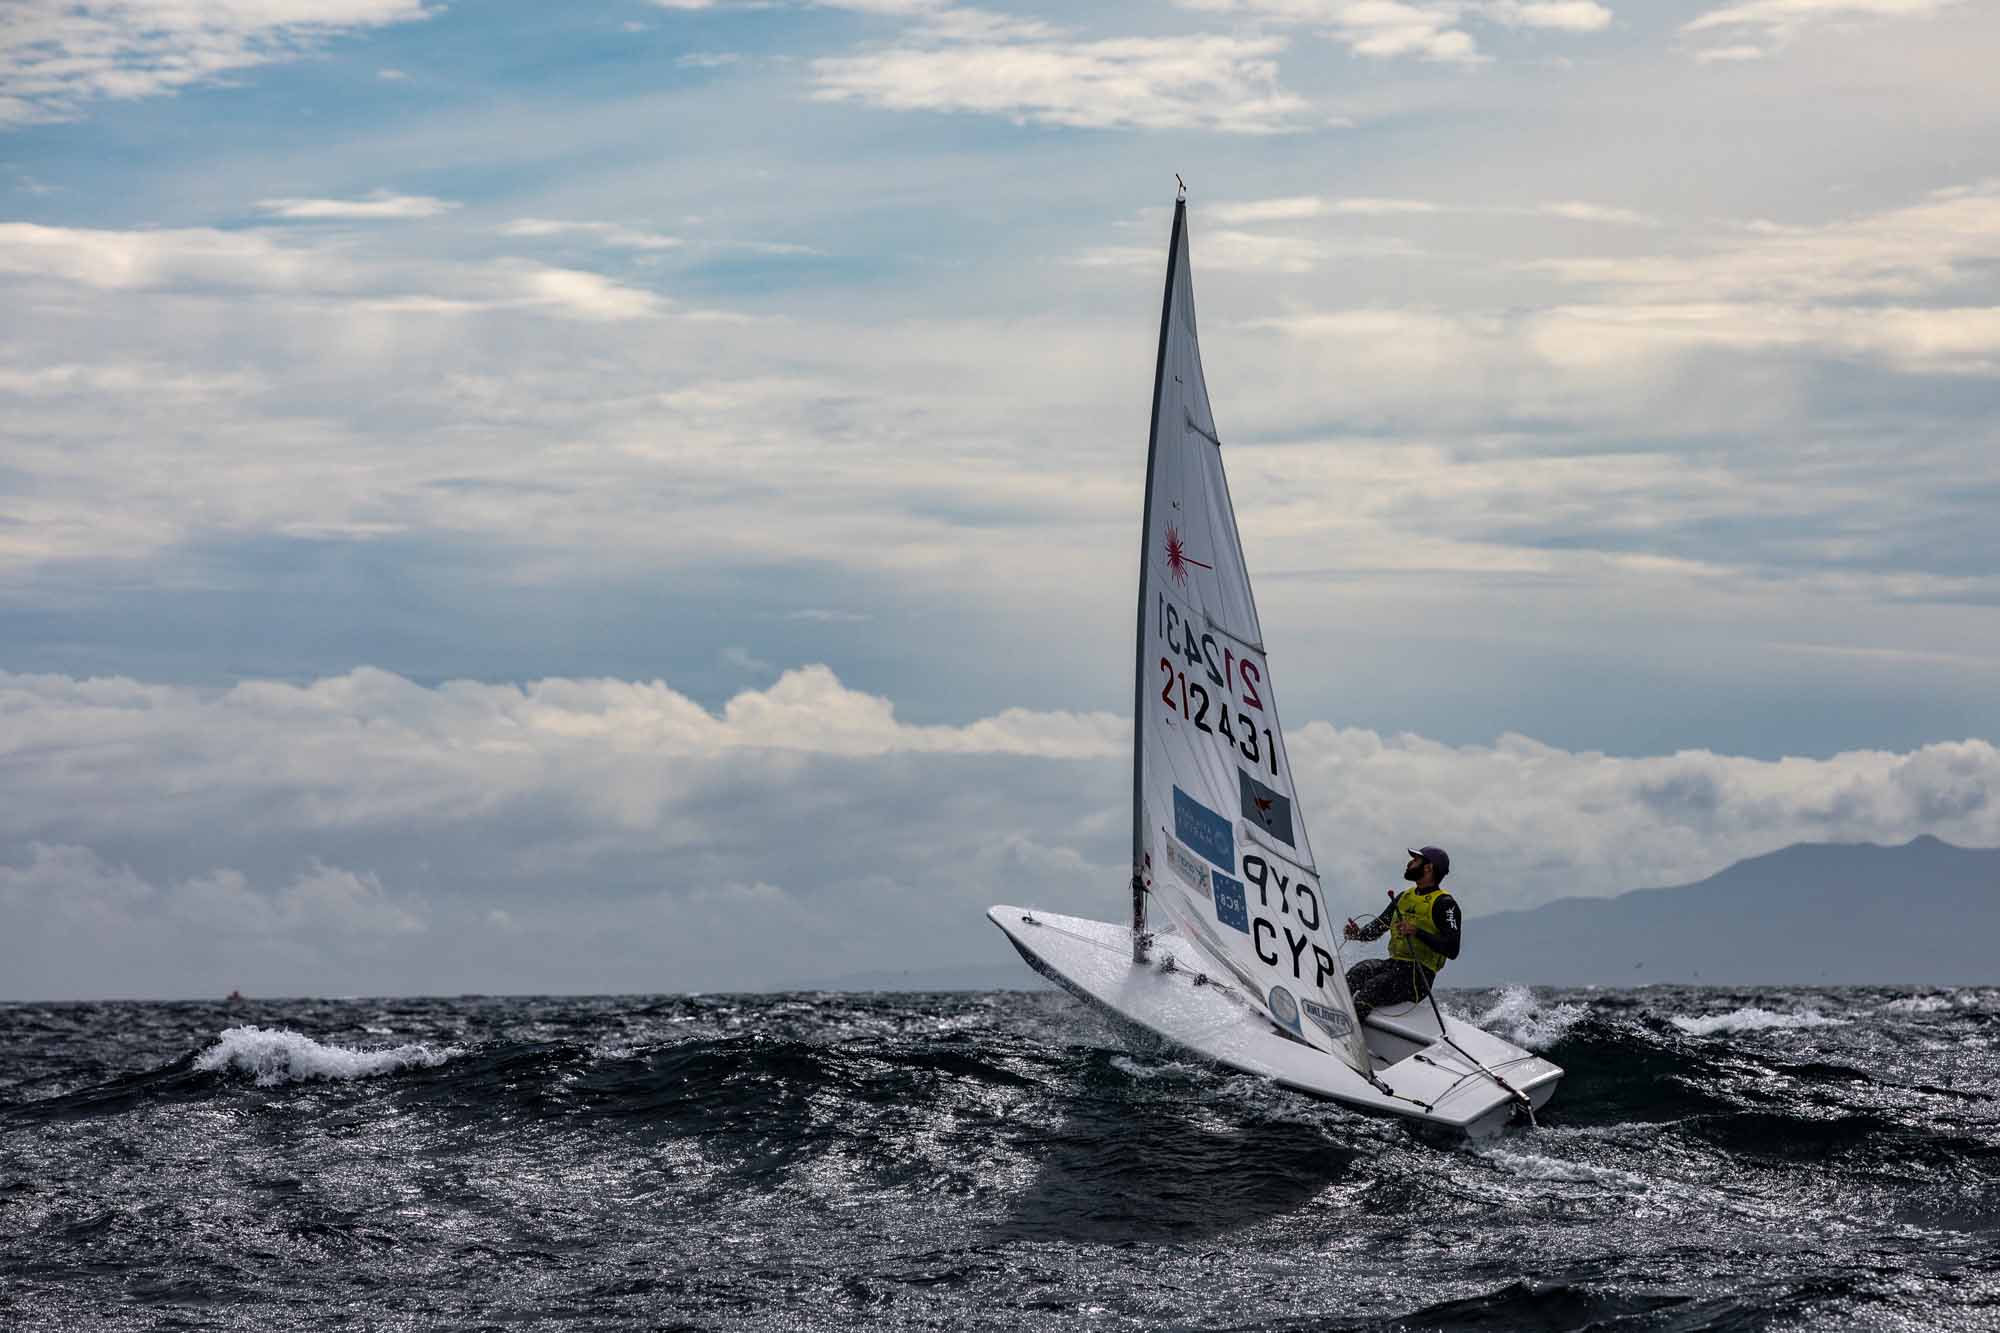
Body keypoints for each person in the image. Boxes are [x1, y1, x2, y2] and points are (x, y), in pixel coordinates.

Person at [1343, 846, 1461, 1020]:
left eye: (1415, 860)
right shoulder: (1403, 897)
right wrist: (1358, 934)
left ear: (1428, 868)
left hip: (1418, 977)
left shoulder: (1445, 904)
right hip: (1394, 965)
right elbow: (1378, 927)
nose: (1409, 863)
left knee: (1372, 988)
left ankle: (1345, 1041)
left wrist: (1416, 932)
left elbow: (1452, 949)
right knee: (1357, 973)